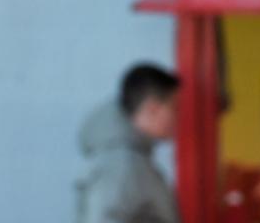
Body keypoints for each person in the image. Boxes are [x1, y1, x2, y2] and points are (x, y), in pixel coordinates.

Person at [76, 63, 181, 223]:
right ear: (152, 108)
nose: (178, 117)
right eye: (174, 108)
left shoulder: (132, 159)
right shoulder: (122, 163)